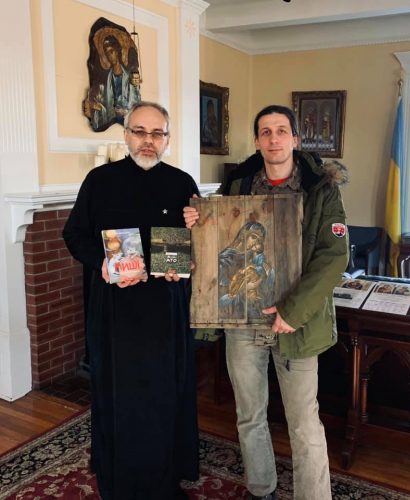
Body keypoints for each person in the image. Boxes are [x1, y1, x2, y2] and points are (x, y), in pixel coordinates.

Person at [184, 104, 349, 500]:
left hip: (297, 324)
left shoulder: (321, 189)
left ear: (295, 139)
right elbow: (216, 241)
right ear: (257, 141)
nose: (274, 139)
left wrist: (293, 312)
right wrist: (196, 222)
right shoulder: (237, 185)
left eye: (281, 130)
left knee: (304, 423)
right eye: (265, 132)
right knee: (249, 416)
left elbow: (333, 257)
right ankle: (262, 489)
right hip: (244, 322)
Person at [63, 101, 200, 500]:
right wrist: (102, 265)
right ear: (126, 135)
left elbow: (197, 245)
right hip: (115, 312)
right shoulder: (99, 181)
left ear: (167, 140)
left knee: (163, 394)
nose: (148, 141)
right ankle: (118, 480)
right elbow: (74, 235)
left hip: (165, 309)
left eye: (157, 133)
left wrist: (195, 241)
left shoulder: (182, 183)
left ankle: (164, 479)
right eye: (140, 131)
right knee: (118, 395)